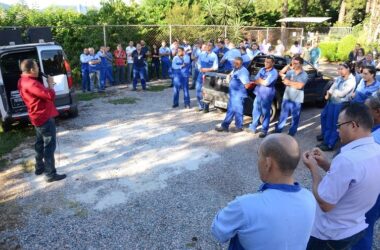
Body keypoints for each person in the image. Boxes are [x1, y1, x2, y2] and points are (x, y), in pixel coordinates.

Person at [211, 134, 316, 249]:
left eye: (259, 156)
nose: (258, 161)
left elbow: (218, 232)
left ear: (268, 163)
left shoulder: (245, 206)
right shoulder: (309, 198)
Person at [302, 103, 380, 250]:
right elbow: (354, 180)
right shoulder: (376, 150)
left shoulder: (347, 159)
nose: (337, 130)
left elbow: (325, 204)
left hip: (330, 234)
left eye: (339, 125)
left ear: (353, 125)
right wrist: (325, 164)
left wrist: (313, 169)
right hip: (355, 225)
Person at [17, 59, 66, 183]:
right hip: (43, 116)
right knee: (49, 145)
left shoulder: (22, 80)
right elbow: (50, 96)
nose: (39, 69)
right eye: (37, 67)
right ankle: (50, 174)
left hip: (35, 116)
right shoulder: (32, 83)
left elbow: (40, 95)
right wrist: (50, 84)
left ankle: (39, 167)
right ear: (32, 70)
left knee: (39, 143)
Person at [351, 93, 380, 250]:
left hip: (373, 189)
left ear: (378, 112)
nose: (364, 112)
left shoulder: (375, 139)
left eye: (367, 109)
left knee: (362, 227)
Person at [316, 63, 356, 151]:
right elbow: (332, 88)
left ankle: (330, 144)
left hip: (341, 104)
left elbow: (341, 94)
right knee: (328, 122)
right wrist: (330, 92)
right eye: (338, 69)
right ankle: (326, 141)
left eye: (342, 69)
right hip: (332, 102)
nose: (339, 71)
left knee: (335, 124)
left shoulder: (351, 80)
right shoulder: (339, 78)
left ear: (348, 69)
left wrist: (331, 92)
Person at [274, 56, 308, 136]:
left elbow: (300, 86)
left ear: (301, 64)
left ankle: (292, 132)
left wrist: (289, 83)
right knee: (283, 115)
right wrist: (293, 83)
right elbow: (285, 81)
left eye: (296, 63)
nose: (293, 65)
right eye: (292, 63)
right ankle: (278, 130)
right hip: (287, 97)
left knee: (295, 117)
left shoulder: (304, 74)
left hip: (297, 99)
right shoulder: (290, 72)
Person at [215, 57, 250, 133]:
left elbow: (247, 85)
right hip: (233, 94)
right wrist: (229, 76)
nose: (234, 64)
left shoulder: (243, 71)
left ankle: (239, 127)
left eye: (236, 63)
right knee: (230, 110)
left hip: (238, 95)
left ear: (241, 63)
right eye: (234, 63)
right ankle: (225, 126)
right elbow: (231, 75)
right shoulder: (235, 69)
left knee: (238, 111)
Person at [248, 56, 279, 138]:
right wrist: (261, 81)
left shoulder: (274, 72)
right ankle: (253, 127)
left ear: (273, 63)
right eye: (265, 61)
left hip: (267, 95)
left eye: (268, 62)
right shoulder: (262, 69)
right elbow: (255, 79)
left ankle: (264, 130)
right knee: (256, 110)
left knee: (265, 113)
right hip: (258, 93)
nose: (266, 63)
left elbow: (266, 83)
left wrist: (260, 80)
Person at [196, 42, 218, 112]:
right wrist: (200, 68)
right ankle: (200, 106)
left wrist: (207, 69)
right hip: (201, 74)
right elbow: (198, 63)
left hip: (209, 75)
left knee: (207, 91)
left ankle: (206, 107)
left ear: (212, 47)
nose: (208, 46)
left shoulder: (214, 56)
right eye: (207, 45)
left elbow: (215, 67)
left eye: (210, 45)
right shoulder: (201, 54)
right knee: (198, 90)